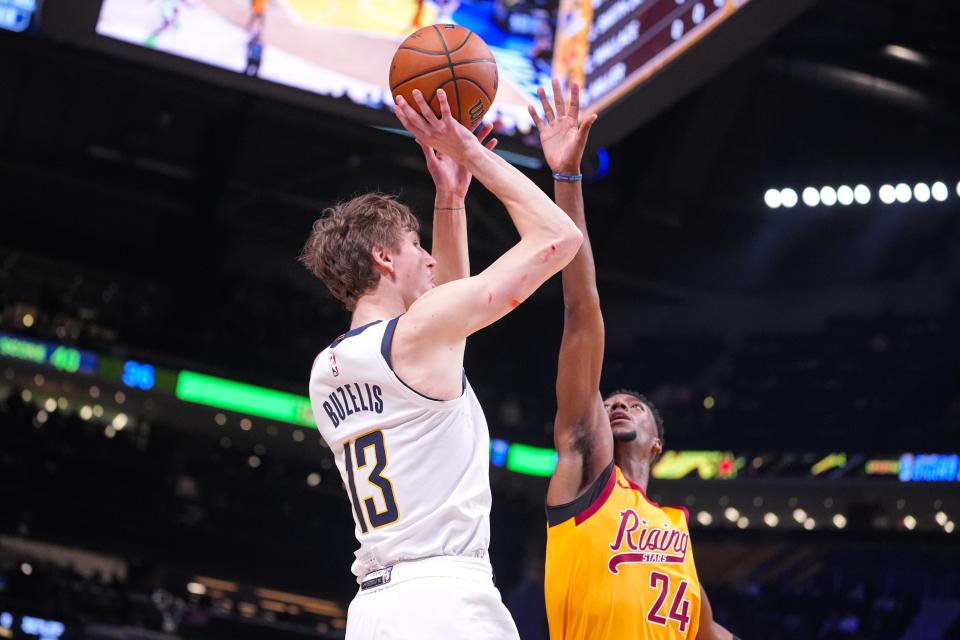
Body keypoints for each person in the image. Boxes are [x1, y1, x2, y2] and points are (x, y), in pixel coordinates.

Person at [300, 88, 582, 640]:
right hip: (444, 600)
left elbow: (446, 316)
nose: (428, 256)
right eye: (414, 245)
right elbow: (559, 237)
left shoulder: (326, 368)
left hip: (374, 611)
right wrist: (471, 150)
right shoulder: (416, 338)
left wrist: (450, 199)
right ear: (383, 258)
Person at [529, 80, 739, 640]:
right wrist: (567, 180)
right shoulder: (584, 465)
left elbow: (709, 632)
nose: (618, 404)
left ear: (657, 445)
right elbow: (582, 311)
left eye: (635, 405)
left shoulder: (675, 532)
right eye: (612, 400)